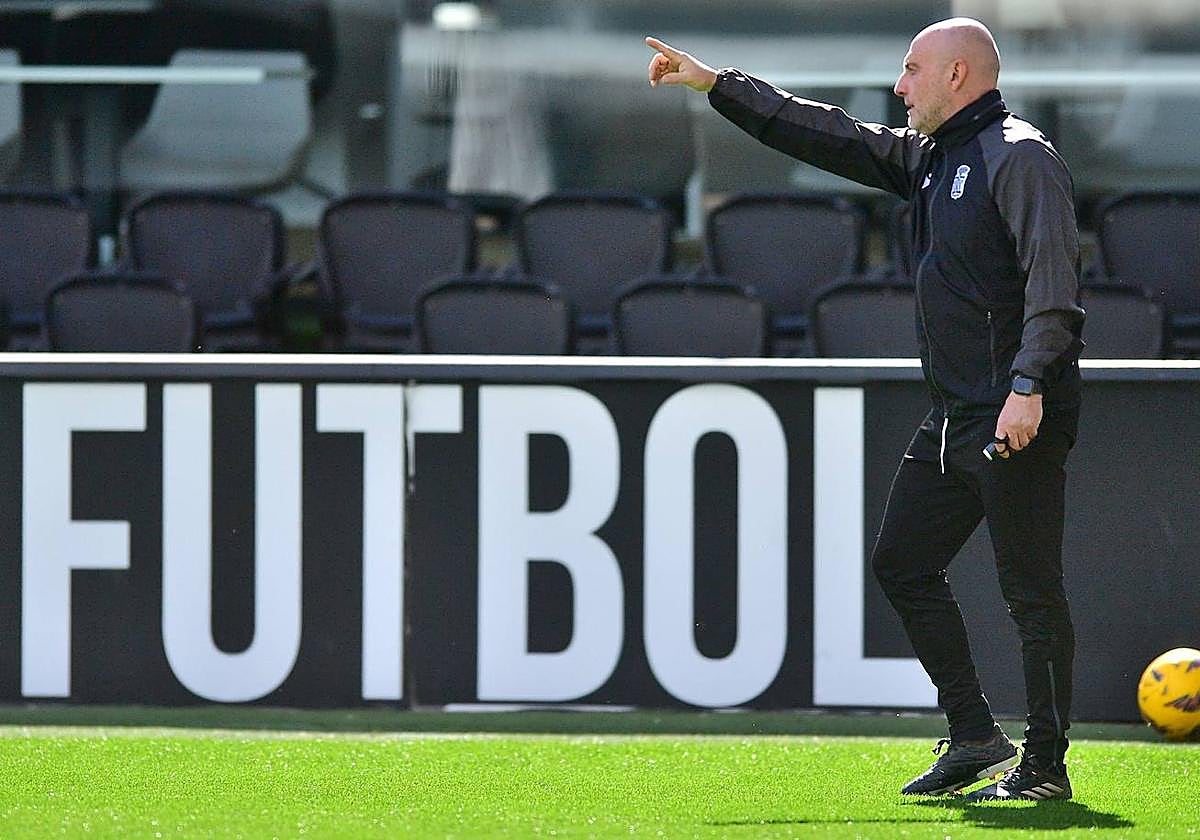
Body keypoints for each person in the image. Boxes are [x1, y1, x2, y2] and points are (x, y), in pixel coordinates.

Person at [646, 18, 1084, 802]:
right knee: (902, 564)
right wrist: (717, 85)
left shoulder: (1019, 156)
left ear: (958, 75)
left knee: (1032, 594)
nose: (900, 86)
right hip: (954, 412)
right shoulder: (932, 157)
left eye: (912, 69)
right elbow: (829, 134)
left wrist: (1028, 388)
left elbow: (1054, 286)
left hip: (1012, 412)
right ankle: (975, 736)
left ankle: (1045, 768)